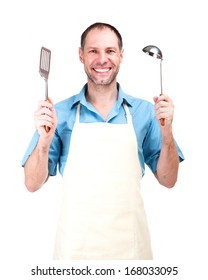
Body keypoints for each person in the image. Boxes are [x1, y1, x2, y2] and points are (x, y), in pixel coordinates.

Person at [22, 22, 184, 260]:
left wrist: (167, 131)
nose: (102, 59)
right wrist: (44, 142)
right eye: (93, 51)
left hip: (132, 253)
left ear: (121, 55)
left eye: (110, 51)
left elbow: (169, 180)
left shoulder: (145, 112)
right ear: (81, 55)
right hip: (75, 255)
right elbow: (32, 184)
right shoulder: (58, 114)